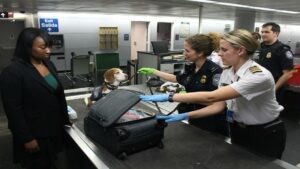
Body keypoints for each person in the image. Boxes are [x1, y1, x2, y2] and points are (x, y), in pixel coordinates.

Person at [140, 29, 286, 159]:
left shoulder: (258, 75)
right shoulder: (228, 72)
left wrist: (170, 97)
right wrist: (185, 115)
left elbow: (212, 97)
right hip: (237, 129)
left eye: (223, 49)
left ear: (240, 50)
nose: (218, 53)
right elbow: (217, 106)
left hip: (263, 132)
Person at [0, 28, 72, 169]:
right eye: (42, 47)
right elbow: (13, 110)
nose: (48, 51)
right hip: (35, 134)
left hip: (53, 129)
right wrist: (27, 138)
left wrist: (65, 119)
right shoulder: (13, 72)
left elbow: (56, 95)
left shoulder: (48, 64)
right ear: (27, 47)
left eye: (49, 46)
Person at [138, 33, 228, 136]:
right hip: (193, 117)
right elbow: (177, 78)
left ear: (200, 53)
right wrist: (154, 71)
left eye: (187, 50)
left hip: (210, 122)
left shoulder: (214, 72)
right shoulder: (191, 67)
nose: (184, 53)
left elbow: (216, 104)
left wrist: (178, 98)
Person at [258, 22, 294, 104]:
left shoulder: (283, 50)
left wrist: (273, 89)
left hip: (274, 87)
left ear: (276, 33)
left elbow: (288, 74)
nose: (263, 34)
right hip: (261, 85)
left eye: (267, 32)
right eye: (262, 32)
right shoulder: (262, 47)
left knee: (271, 113)